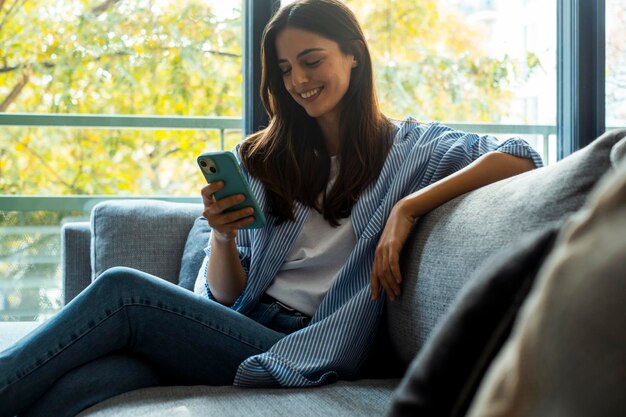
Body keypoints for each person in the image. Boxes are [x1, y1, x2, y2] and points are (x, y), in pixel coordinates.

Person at [0, 1, 542, 415]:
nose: (299, 81)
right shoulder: (261, 159)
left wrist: (406, 209)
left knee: (123, 289)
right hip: (239, 324)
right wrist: (220, 236)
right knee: (95, 381)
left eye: (312, 61)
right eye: (285, 69)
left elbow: (521, 156)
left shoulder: (416, 150)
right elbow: (230, 295)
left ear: (354, 53)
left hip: (302, 341)